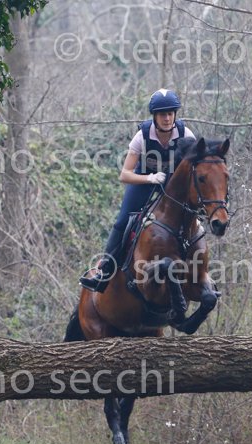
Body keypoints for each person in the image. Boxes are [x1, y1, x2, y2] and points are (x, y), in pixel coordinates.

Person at [79, 89, 196, 292]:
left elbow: (196, 168)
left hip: (172, 184)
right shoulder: (142, 136)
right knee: (123, 221)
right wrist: (150, 178)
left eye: (170, 113)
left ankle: (199, 273)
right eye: (162, 114)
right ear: (154, 116)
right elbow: (124, 174)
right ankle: (104, 271)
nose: (167, 118)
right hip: (144, 180)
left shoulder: (186, 135)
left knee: (192, 218)